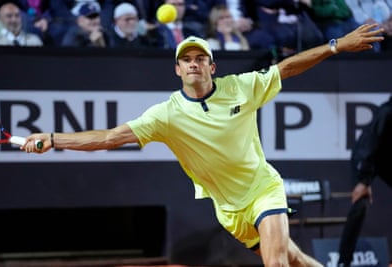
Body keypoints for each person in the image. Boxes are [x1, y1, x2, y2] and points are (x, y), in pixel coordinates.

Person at [22, 24, 384, 267]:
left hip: (263, 189)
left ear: (212, 66)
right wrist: (54, 140)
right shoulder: (165, 115)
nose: (193, 64)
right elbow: (109, 138)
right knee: (291, 257)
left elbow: (286, 68)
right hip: (228, 210)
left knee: (275, 263)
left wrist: (336, 45)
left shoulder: (240, 87)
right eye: (186, 60)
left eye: (199, 59)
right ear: (178, 70)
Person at [337, 95, 392, 267]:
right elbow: (370, 144)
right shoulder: (387, 112)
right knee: (361, 202)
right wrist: (364, 180)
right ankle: (343, 261)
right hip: (365, 157)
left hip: (386, 157)